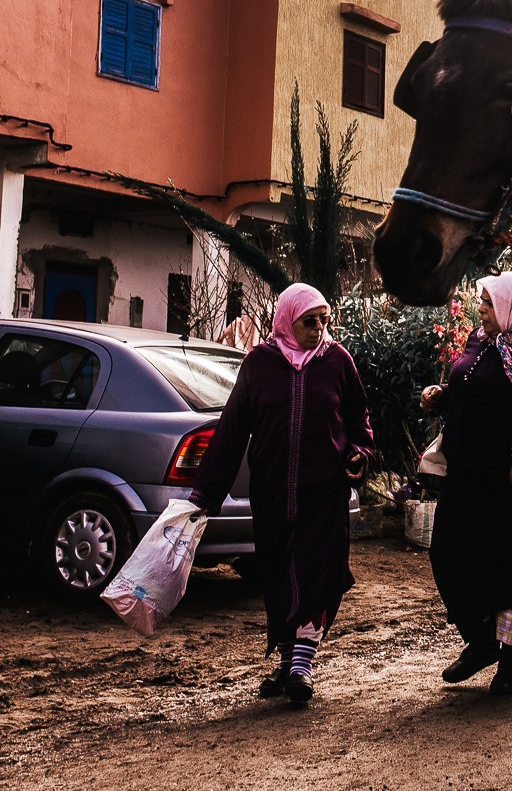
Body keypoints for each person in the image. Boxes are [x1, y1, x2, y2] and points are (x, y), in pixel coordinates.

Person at [188, 283, 374, 705]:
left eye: (324, 321)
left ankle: (302, 664)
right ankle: (291, 660)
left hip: (324, 494)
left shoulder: (337, 362)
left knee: (317, 574)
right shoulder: (260, 364)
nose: (318, 329)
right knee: (277, 577)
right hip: (272, 494)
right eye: (309, 321)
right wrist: (205, 493)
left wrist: (359, 454)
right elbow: (233, 429)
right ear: (288, 320)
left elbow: (359, 418)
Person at [420, 271, 512, 695]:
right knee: (447, 553)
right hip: (465, 475)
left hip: (505, 483)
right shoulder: (479, 341)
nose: (480, 308)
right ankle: (480, 641)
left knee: (508, 570)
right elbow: (466, 386)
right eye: (481, 301)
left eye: (488, 302)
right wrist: (441, 394)